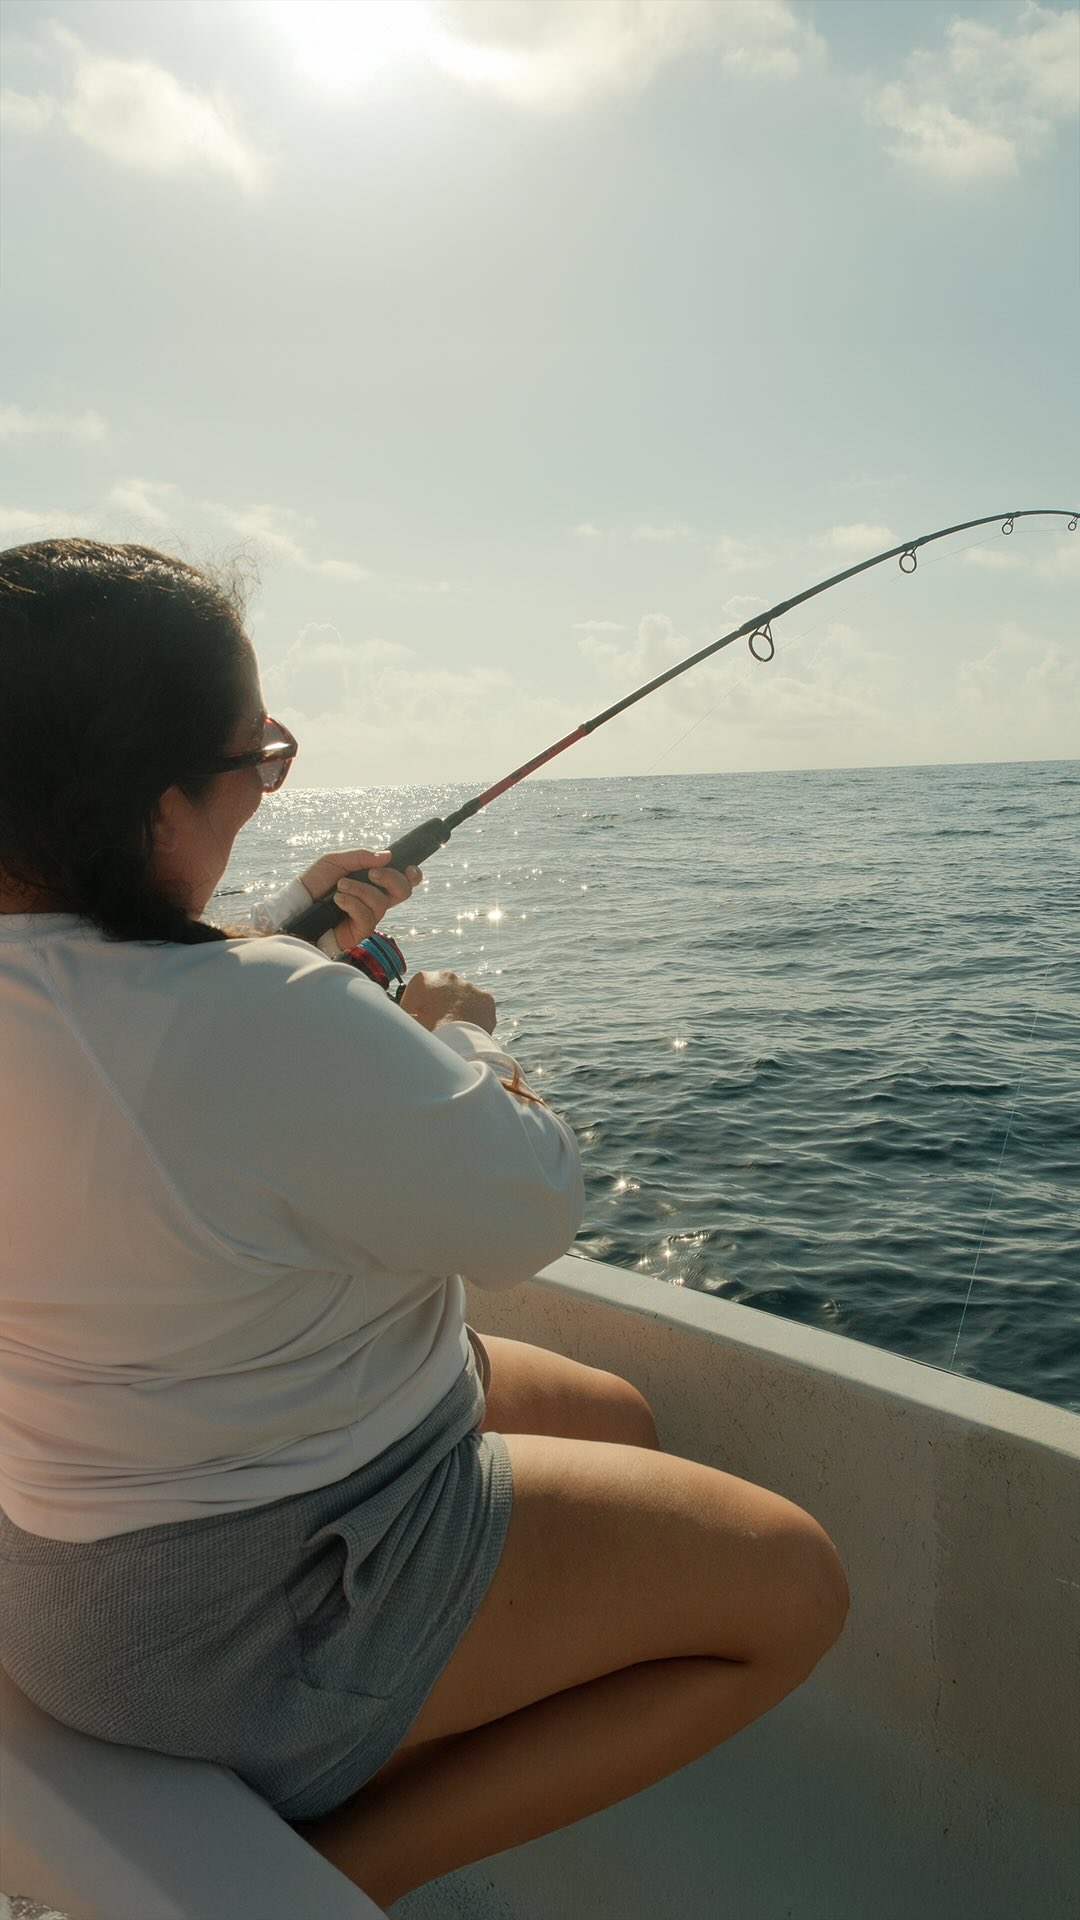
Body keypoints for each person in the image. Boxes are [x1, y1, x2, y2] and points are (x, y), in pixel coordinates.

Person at [0, 539, 848, 1910]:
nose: (264, 785)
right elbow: (531, 1209)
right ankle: (334, 1878)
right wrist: (442, 1031)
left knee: (619, 1420)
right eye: (256, 761)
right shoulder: (273, 1020)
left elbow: (125, 1026)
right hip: (233, 1617)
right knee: (791, 1589)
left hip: (58, 1570)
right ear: (159, 805)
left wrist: (279, 936)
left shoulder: (182, 995)